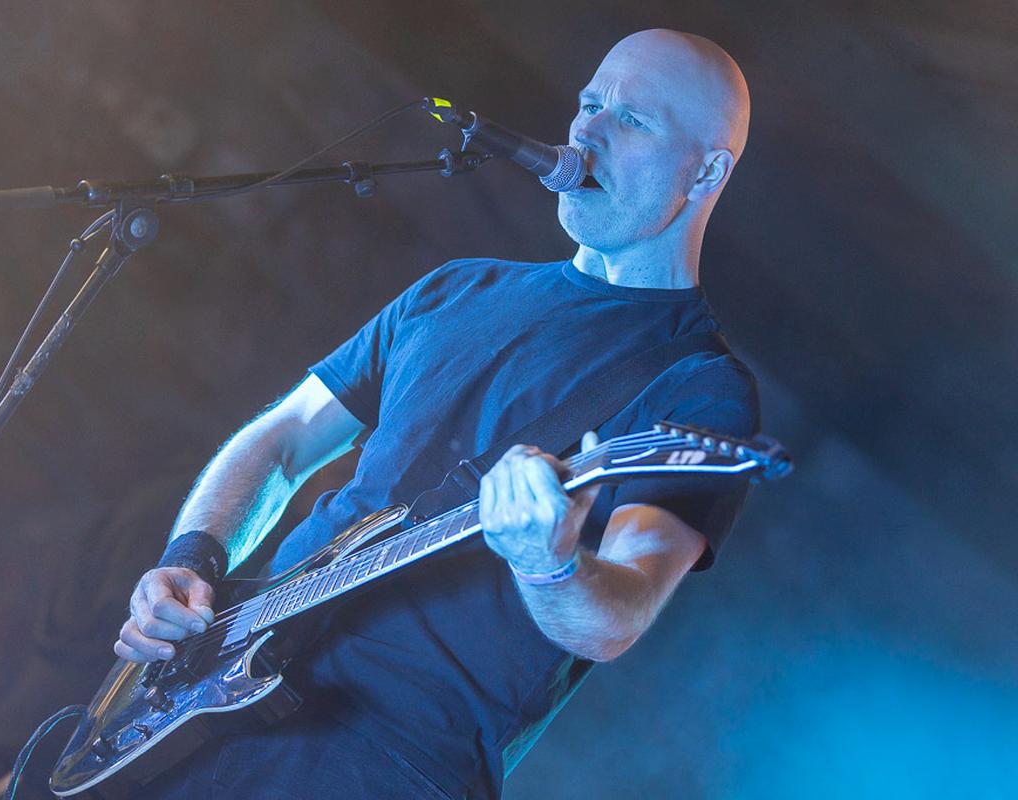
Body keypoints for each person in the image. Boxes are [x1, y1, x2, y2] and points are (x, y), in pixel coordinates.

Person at [121, 28, 757, 799]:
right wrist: (194, 559)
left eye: (632, 120)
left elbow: (615, 618)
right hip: (214, 693)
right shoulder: (457, 288)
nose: (587, 133)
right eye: (590, 104)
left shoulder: (698, 385)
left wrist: (546, 560)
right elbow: (283, 437)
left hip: (384, 760)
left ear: (707, 169)